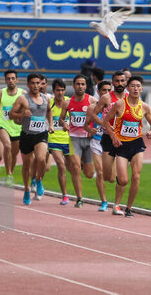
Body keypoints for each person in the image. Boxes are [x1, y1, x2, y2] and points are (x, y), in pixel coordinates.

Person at [102, 75, 151, 217]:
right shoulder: (120, 104)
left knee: (136, 177)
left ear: (141, 89)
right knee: (123, 179)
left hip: (137, 143)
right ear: (128, 88)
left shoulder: (144, 107)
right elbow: (106, 121)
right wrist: (113, 137)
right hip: (121, 145)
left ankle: (129, 208)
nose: (136, 89)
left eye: (138, 86)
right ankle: (116, 205)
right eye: (133, 86)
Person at [9, 73, 53, 205]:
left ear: (41, 84)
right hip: (27, 135)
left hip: (41, 134)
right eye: (32, 83)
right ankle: (27, 189)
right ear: (28, 85)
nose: (35, 86)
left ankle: (39, 180)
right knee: (27, 165)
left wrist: (50, 124)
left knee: (41, 158)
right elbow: (11, 115)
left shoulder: (46, 98)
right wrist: (23, 114)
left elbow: (49, 111)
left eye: (38, 83)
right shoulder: (23, 99)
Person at [59, 74, 97, 208]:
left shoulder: (92, 101)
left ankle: (83, 163)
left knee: (89, 174)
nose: (80, 86)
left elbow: (99, 117)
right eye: (78, 84)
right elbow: (61, 119)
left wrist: (95, 129)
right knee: (75, 168)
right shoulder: (67, 102)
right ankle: (79, 198)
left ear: (86, 86)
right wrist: (64, 124)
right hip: (74, 138)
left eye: (83, 84)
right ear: (74, 85)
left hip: (88, 140)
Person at [87, 71, 127, 197]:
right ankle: (113, 163)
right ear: (113, 82)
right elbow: (93, 114)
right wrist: (104, 124)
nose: (120, 83)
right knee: (107, 177)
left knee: (122, 177)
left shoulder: (129, 97)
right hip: (107, 137)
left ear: (126, 82)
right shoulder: (106, 98)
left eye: (122, 81)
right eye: (117, 81)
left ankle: (116, 204)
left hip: (123, 138)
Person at [0, 69, 25, 187]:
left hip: (16, 126)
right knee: (7, 145)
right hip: (3, 124)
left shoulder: (23, 93)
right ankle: (9, 174)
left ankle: (10, 172)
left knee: (14, 153)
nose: (11, 81)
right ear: (5, 80)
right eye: (8, 79)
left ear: (17, 80)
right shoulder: (0, 93)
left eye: (13, 78)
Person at [87, 80, 112, 211]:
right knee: (100, 172)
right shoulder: (93, 107)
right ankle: (104, 201)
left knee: (112, 177)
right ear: (98, 92)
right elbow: (86, 124)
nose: (106, 93)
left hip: (111, 143)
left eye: (109, 90)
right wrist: (90, 129)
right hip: (96, 142)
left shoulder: (116, 106)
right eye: (104, 90)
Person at [47, 78, 71, 205]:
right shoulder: (49, 103)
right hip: (54, 140)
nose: (60, 93)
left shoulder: (69, 102)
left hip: (69, 140)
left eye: (62, 90)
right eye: (57, 90)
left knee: (73, 168)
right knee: (61, 166)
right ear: (53, 91)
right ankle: (65, 195)